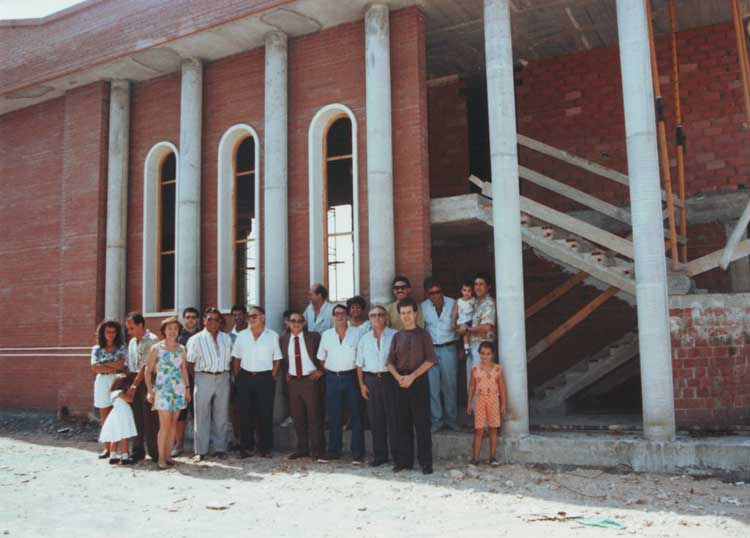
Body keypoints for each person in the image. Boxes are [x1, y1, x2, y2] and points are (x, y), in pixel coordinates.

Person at [386, 298, 436, 474]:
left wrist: (412, 377)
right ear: (399, 315)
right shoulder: (397, 336)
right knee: (402, 422)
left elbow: (430, 360)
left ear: (415, 313)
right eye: (403, 313)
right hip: (400, 382)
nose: (406, 316)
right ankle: (403, 461)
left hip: (418, 381)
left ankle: (426, 462)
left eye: (409, 312)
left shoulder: (424, 335)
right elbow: (390, 362)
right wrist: (399, 377)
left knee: (422, 423)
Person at [231, 305, 282, 458]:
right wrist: (238, 377)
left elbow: (277, 359)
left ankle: (265, 448)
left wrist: (272, 376)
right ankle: (247, 447)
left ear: (263, 317)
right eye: (250, 316)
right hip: (245, 377)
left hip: (265, 378)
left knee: (265, 413)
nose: (251, 319)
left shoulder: (272, 336)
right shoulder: (242, 336)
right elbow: (236, 358)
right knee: (245, 413)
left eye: (254, 316)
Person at [318, 303, 364, 463]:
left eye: (343, 313)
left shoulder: (357, 333)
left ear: (347, 316)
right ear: (333, 317)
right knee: (334, 415)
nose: (339, 316)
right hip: (332, 378)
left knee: (356, 415)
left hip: (352, 377)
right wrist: (332, 370)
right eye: (336, 314)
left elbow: (361, 357)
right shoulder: (326, 335)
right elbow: (321, 358)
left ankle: (357, 453)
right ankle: (333, 451)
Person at [186, 307, 233, 462]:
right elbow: (190, 363)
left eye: (216, 319)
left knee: (222, 414)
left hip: (223, 377)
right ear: (204, 320)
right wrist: (199, 377)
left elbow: (231, 359)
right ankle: (201, 450)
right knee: (201, 414)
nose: (213, 322)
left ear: (220, 322)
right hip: (203, 377)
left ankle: (220, 449)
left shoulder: (226, 338)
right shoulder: (196, 339)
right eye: (210, 319)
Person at [145, 316, 191, 469]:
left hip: (178, 390)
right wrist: (150, 391)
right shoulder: (156, 348)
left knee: (173, 424)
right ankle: (160, 458)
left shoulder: (182, 349)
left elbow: (183, 369)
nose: (172, 331)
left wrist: (187, 390)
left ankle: (168, 455)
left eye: (175, 329)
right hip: (162, 390)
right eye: (169, 329)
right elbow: (148, 371)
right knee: (164, 425)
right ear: (164, 331)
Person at [279, 310, 326, 461]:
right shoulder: (283, 339)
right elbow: (283, 359)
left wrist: (321, 371)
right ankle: (302, 448)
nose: (296, 324)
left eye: (299, 321)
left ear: (304, 323)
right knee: (297, 417)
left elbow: (324, 355)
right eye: (293, 321)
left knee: (314, 416)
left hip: (310, 380)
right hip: (293, 382)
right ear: (288, 323)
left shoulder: (314, 337)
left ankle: (317, 450)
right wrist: (287, 373)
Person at [356, 305, 398, 467]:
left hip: (390, 379)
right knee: (376, 419)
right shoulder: (364, 339)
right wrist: (362, 385)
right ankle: (380, 456)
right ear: (369, 319)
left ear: (386, 317)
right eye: (373, 315)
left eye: (380, 314)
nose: (377, 318)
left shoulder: (395, 335)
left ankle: (397, 456)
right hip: (371, 380)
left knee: (394, 418)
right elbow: (359, 364)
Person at [421, 277, 459, 433]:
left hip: (449, 348)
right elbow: (422, 330)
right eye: (432, 293)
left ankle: (451, 420)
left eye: (438, 292)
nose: (436, 295)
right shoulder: (423, 307)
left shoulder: (453, 303)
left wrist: (462, 348)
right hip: (431, 350)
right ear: (427, 294)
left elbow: (461, 324)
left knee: (450, 386)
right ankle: (437, 421)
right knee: (433, 387)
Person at [124, 312, 159, 462]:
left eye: (131, 328)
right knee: (136, 416)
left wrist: (134, 385)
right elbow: (130, 363)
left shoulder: (152, 340)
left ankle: (155, 452)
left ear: (140, 325)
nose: (129, 331)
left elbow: (146, 366)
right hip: (134, 379)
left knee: (150, 418)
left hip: (147, 380)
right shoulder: (132, 342)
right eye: (128, 328)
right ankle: (137, 451)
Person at [90, 319, 128, 461]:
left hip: (117, 381)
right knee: (105, 417)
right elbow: (95, 367)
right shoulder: (96, 349)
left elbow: (122, 365)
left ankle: (118, 449)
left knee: (119, 414)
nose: (111, 334)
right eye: (108, 332)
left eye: (113, 332)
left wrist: (105, 364)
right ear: (103, 333)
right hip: (102, 381)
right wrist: (114, 365)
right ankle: (107, 448)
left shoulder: (121, 348)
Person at [466, 341, 507, 466]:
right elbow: (472, 386)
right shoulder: (475, 369)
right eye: (483, 353)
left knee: (493, 429)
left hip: (493, 401)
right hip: (480, 401)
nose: (485, 356)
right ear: (479, 354)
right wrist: (469, 403)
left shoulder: (497, 369)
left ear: (492, 354)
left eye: (488, 354)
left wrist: (503, 404)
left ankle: (492, 457)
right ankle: (475, 458)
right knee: (478, 429)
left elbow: (502, 387)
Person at [457, 273, 496, 399]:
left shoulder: (488, 303)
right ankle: (475, 411)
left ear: (488, 286)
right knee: (472, 383)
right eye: (475, 284)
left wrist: (467, 329)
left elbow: (488, 327)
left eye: (481, 284)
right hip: (472, 347)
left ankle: (484, 412)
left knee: (482, 383)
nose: (477, 287)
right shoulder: (474, 302)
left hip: (483, 349)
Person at [175, 306, 200, 455]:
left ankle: (199, 447)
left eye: (193, 317)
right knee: (181, 414)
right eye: (188, 317)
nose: (190, 320)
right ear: (183, 319)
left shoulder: (203, 335)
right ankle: (178, 445)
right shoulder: (178, 337)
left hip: (199, 379)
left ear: (197, 320)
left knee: (199, 413)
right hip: (181, 381)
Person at [98, 374, 138, 465]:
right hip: (122, 416)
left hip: (117, 415)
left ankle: (113, 456)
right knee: (123, 437)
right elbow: (130, 399)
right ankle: (125, 457)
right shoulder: (119, 392)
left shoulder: (113, 393)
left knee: (115, 437)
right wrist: (133, 389)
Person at [227, 304, 247, 448]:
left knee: (251, 409)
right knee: (235, 410)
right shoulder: (229, 337)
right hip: (234, 378)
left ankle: (251, 440)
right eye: (234, 315)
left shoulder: (252, 333)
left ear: (245, 315)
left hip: (251, 376)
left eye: (239, 314)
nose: (237, 317)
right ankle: (237, 439)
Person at [451, 279, 476, 357]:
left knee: (468, 333)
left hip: (471, 321)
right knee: (465, 333)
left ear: (472, 292)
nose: (466, 293)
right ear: (461, 291)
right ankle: (466, 348)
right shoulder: (458, 301)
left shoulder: (473, 300)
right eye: (464, 290)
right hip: (462, 322)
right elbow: (454, 313)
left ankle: (466, 348)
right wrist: (453, 322)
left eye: (469, 291)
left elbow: (476, 310)